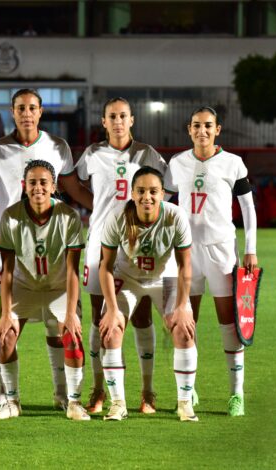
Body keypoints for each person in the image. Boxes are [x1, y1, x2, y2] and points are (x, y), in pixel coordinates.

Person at [0, 88, 92, 412]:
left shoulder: (57, 148)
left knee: (63, 329)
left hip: (56, 279)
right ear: (12, 111)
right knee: (5, 331)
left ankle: (67, 397)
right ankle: (8, 397)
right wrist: (1, 203)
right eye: (20, 107)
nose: (26, 112)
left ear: (40, 111)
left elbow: (73, 186)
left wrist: (101, 211)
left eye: (32, 107)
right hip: (19, 258)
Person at [75, 97, 171, 414]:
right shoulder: (93, 154)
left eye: (123, 116)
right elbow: (70, 183)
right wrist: (96, 208)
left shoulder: (147, 154)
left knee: (140, 315)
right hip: (100, 241)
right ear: (103, 122)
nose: (118, 121)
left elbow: (166, 189)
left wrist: (149, 217)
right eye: (112, 116)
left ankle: (147, 393)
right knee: (98, 317)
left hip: (137, 245)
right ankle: (99, 390)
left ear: (132, 120)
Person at [164, 106, 258, 417]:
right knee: (186, 323)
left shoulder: (233, 163)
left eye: (207, 126)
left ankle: (236, 394)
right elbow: (163, 203)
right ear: (188, 129)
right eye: (195, 126)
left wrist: (250, 249)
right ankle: (188, 393)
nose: (201, 131)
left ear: (218, 129)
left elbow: (248, 208)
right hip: (186, 253)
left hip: (220, 252)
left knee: (228, 325)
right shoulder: (177, 164)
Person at [98, 166, 198, 422]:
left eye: (153, 191)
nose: (147, 197)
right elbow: (105, 266)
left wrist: (183, 305)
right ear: (132, 193)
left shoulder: (175, 216)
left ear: (163, 194)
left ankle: (185, 404)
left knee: (183, 329)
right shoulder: (117, 216)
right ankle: (117, 403)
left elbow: (186, 264)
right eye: (141, 191)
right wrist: (110, 310)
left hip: (165, 277)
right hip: (127, 277)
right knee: (110, 331)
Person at [0, 160, 89, 421]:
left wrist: (71, 313)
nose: (38, 187)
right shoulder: (11, 216)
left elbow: (72, 271)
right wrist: (5, 314)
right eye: (32, 182)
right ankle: (12, 400)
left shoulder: (68, 216)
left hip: (59, 287)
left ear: (54, 186)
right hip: (25, 287)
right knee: (5, 336)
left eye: (43, 182)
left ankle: (72, 401)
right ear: (24, 186)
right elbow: (8, 271)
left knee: (72, 337)